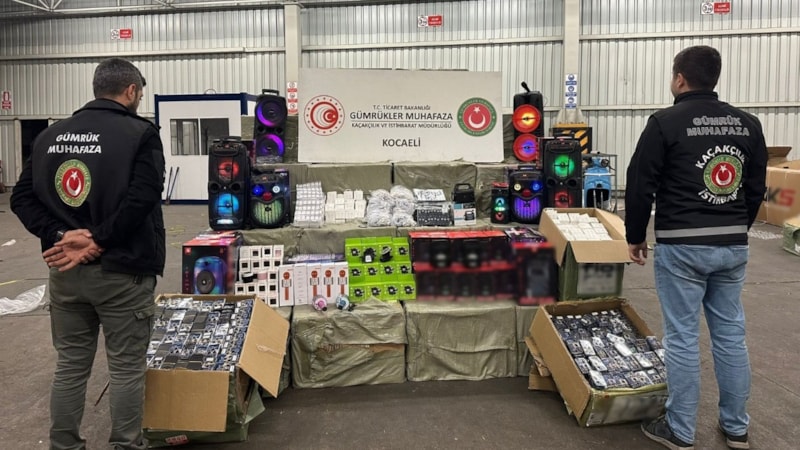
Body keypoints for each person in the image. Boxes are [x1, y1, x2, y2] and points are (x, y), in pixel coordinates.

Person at [10, 58, 165, 450]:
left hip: (65, 272)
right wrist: (98, 240)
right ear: (131, 91)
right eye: (139, 93)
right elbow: (142, 199)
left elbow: (21, 198)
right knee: (126, 366)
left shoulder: (50, 136)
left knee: (70, 365)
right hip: (123, 272)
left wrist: (60, 234)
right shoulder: (140, 134)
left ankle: (64, 445)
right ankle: (126, 444)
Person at [625, 45, 767, 450]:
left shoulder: (664, 123)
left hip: (682, 246)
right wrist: (736, 228)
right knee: (730, 335)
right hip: (731, 244)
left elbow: (640, 183)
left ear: (679, 78)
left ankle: (681, 430)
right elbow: (755, 186)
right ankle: (736, 428)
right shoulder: (748, 124)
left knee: (683, 337)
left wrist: (635, 235)